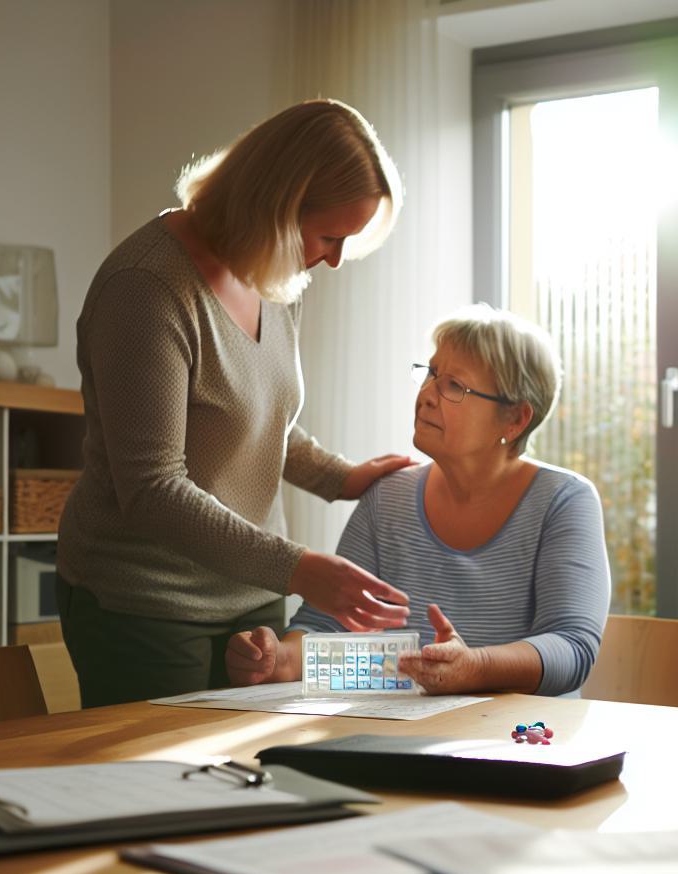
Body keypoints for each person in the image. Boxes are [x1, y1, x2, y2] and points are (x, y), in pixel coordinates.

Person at [57, 99, 415, 708]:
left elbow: (258, 422)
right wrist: (301, 569)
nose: (332, 259)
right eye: (329, 236)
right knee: (165, 793)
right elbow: (151, 489)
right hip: (147, 605)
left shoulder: (272, 274)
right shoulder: (146, 288)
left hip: (251, 598)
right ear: (275, 206)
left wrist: (342, 477)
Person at [226, 305, 611, 698]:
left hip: (521, 742)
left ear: (514, 420)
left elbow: (572, 646)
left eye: (455, 386)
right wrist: (278, 660)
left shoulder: (564, 501)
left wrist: (474, 668)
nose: (427, 395)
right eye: (431, 373)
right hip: (402, 738)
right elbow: (326, 626)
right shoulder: (389, 496)